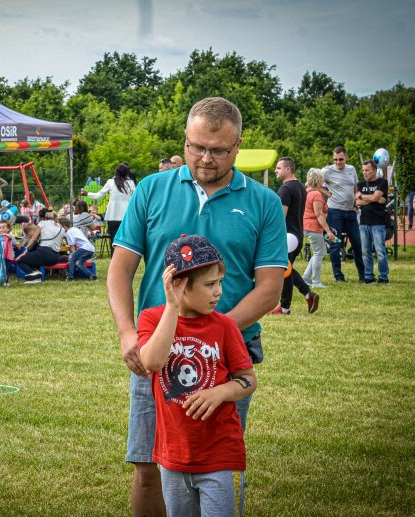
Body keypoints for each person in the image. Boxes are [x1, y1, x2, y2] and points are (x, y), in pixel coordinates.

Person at [107, 97, 287, 516]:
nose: (205, 158)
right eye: (195, 146)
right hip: (157, 351)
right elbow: (119, 272)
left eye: (218, 150)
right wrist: (127, 333)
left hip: (225, 354)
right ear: (185, 140)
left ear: (237, 146)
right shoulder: (152, 189)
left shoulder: (262, 202)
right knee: (148, 465)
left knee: (213, 467)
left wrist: (212, 330)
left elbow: (269, 289)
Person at [138, 234, 256, 517]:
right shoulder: (152, 319)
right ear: (178, 284)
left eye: (219, 283)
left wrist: (222, 392)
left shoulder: (226, 326)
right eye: (210, 285)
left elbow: (248, 378)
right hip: (173, 455)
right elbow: (152, 362)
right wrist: (172, 308)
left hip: (216, 454)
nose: (219, 292)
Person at [269, 157, 319, 315]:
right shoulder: (300, 187)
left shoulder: (285, 189)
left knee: (284, 269)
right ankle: (306, 295)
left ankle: (286, 307)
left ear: (288, 170)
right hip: (297, 234)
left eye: (278, 168)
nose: (275, 171)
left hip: (287, 235)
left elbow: (280, 217)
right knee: (286, 268)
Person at [322, 146, 365, 282]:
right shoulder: (327, 171)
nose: (338, 162)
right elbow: (310, 183)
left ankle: (363, 276)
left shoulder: (351, 169)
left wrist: (355, 202)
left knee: (357, 244)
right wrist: (325, 192)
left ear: (346, 157)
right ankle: (338, 276)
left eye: (340, 159)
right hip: (335, 212)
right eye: (335, 159)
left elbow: (355, 187)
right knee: (335, 244)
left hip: (350, 212)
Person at [81, 163, 136, 252]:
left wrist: (87, 193)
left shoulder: (110, 182)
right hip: (126, 216)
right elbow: (136, 199)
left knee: (113, 242)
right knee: (126, 242)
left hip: (112, 216)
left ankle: (114, 261)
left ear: (116, 172)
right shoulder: (131, 184)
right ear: (127, 173)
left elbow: (98, 195)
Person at [302, 168, 337, 288]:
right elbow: (319, 214)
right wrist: (328, 231)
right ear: (320, 180)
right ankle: (316, 281)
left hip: (305, 225)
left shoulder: (305, 192)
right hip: (313, 227)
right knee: (318, 253)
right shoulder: (316, 194)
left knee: (320, 252)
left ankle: (306, 277)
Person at [356, 160, 390, 283]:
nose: (364, 173)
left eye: (367, 170)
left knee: (380, 251)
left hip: (378, 222)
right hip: (363, 222)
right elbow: (357, 202)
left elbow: (374, 197)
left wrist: (362, 196)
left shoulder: (382, 182)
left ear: (374, 170)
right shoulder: (360, 184)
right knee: (365, 252)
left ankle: (383, 277)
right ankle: (368, 276)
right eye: (363, 170)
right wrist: (373, 199)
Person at [16, 209, 64, 284]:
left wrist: (24, 253)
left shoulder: (42, 223)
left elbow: (33, 239)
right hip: (55, 257)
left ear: (42, 218)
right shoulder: (61, 228)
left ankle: (33, 275)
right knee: (34, 257)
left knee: (20, 261)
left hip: (44, 253)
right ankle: (36, 275)